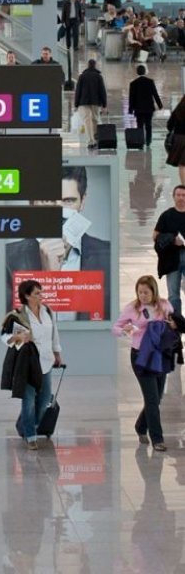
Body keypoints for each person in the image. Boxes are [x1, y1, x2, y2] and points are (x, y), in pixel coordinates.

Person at [5, 165, 111, 321]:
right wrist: (48, 278)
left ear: (82, 202)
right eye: (47, 200)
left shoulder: (109, 256)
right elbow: (12, 329)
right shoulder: (6, 260)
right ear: (32, 202)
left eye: (68, 201)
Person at [112, 275, 175, 450]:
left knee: (157, 397)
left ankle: (141, 426)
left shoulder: (164, 305)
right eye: (140, 292)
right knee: (152, 399)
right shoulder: (132, 308)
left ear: (153, 291)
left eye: (146, 292)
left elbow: (174, 322)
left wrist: (172, 326)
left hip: (160, 355)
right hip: (141, 356)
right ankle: (157, 439)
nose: (143, 296)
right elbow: (115, 328)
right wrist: (125, 330)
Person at [0, 279, 62, 450]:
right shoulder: (18, 315)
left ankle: (27, 426)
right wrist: (17, 338)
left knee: (44, 400)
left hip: (46, 361)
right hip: (29, 364)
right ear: (27, 296)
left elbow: (54, 334)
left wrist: (57, 354)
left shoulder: (47, 311)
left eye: (40, 292)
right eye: (36, 293)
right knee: (28, 401)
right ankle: (30, 435)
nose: (41, 296)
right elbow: (5, 336)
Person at [153, 185, 185, 314]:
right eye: (178, 195)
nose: (181, 198)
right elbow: (155, 235)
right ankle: (176, 325)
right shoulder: (167, 215)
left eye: (183, 195)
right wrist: (172, 239)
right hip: (172, 259)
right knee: (173, 294)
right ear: (173, 197)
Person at [74, 58, 107, 149]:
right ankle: (95, 139)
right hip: (95, 102)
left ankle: (90, 141)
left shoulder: (82, 76)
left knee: (87, 121)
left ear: (87, 65)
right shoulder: (98, 76)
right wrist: (104, 104)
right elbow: (102, 91)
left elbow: (78, 91)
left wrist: (76, 104)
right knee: (95, 119)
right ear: (95, 65)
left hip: (83, 102)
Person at [128, 64, 163, 146]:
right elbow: (155, 94)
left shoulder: (133, 83)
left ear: (137, 72)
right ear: (145, 72)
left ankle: (140, 140)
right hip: (149, 108)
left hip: (138, 108)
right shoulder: (150, 82)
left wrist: (130, 109)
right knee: (149, 125)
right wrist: (160, 105)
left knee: (139, 125)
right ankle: (148, 141)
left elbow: (131, 97)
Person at [165, 96, 185, 187]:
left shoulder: (178, 111)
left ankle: (184, 185)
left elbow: (169, 126)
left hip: (179, 140)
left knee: (182, 165)